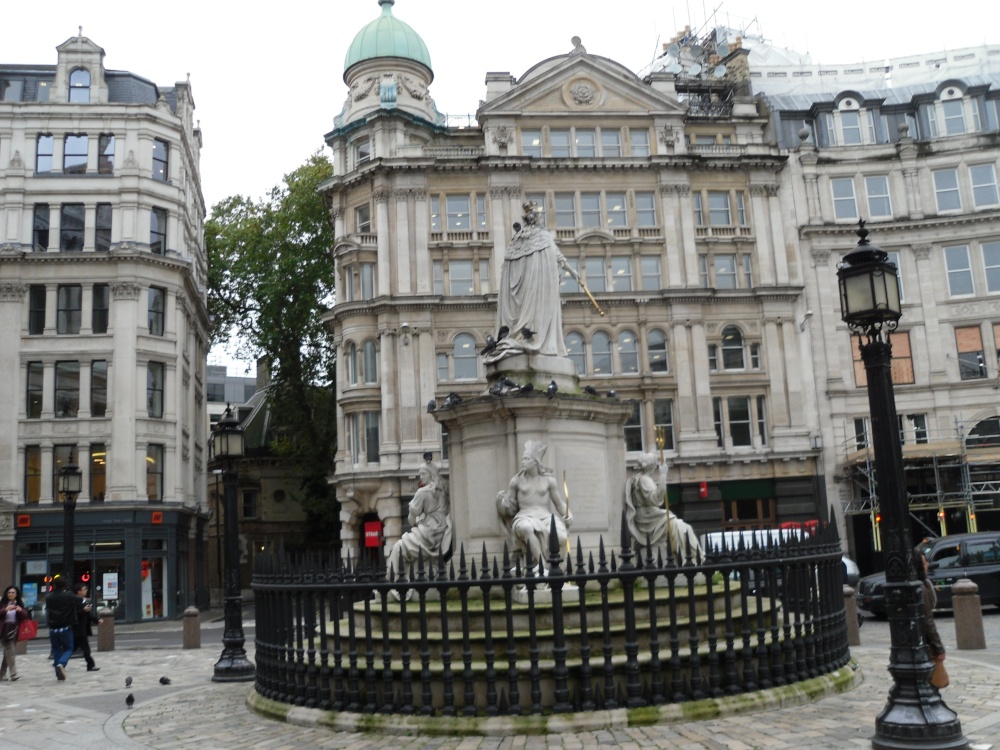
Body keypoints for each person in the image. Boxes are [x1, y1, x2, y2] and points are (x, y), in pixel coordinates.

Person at [485, 201, 581, 363]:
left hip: (524, 293)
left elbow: (507, 269)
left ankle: (523, 339)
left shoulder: (516, 240)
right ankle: (542, 345)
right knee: (539, 316)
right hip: (538, 289)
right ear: (537, 219)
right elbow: (557, 256)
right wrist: (572, 271)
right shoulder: (542, 236)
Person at [496, 440, 572, 570]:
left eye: (526, 459)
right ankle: (542, 564)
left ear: (536, 461)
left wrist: (569, 514)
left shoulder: (549, 480)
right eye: (522, 459)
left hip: (546, 517)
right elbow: (509, 507)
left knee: (562, 537)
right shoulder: (516, 481)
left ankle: (553, 567)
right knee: (526, 528)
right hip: (524, 516)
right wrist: (500, 502)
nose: (523, 462)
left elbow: (559, 504)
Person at [624, 453, 704, 564]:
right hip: (649, 519)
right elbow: (657, 497)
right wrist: (663, 474)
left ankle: (693, 558)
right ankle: (695, 559)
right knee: (684, 528)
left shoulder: (639, 478)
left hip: (651, 516)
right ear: (652, 466)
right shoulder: (644, 480)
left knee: (682, 527)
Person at [390, 460, 454, 577]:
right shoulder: (445, 487)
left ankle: (394, 580)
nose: (420, 477)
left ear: (430, 474)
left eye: (423, 473)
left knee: (398, 547)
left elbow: (411, 520)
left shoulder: (422, 492)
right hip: (442, 528)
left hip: (429, 531)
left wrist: (416, 522)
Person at [915, 545, 946, 682]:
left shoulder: (921, 585)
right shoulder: (920, 588)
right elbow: (928, 620)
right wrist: (939, 647)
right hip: (923, 643)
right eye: (924, 562)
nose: (927, 565)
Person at [45, 578, 78, 681]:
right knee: (69, 648)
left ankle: (58, 674)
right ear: (64, 586)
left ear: (54, 585)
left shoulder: (48, 597)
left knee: (56, 650)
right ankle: (62, 663)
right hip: (65, 627)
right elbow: (79, 600)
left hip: (53, 628)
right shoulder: (68, 595)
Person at [0, 585, 29, 681]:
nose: (11, 594)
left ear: (16, 594)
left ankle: (2, 674)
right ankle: (13, 674)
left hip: (15, 630)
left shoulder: (18, 604)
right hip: (4, 630)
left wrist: (21, 611)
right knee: (11, 652)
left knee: (7, 653)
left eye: (13, 592)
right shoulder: (3, 603)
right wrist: (5, 610)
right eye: (9, 592)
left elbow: (25, 616)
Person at [72, 582, 102, 672]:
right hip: (78, 629)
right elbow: (74, 614)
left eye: (86, 589)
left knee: (71, 649)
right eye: (84, 589)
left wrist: (96, 620)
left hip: (82, 629)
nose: (86, 591)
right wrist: (83, 610)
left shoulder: (82, 600)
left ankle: (61, 662)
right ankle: (90, 665)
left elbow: (88, 614)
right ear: (78, 591)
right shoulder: (75, 601)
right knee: (85, 648)